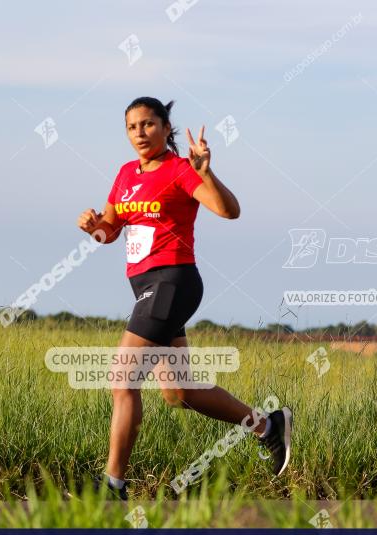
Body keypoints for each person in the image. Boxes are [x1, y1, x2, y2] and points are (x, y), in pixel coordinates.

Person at [76, 97, 292, 499]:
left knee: (122, 381)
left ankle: (112, 486)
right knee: (179, 393)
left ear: (165, 128)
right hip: (146, 289)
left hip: (172, 282)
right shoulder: (125, 174)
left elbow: (230, 212)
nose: (140, 133)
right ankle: (268, 426)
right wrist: (92, 226)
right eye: (132, 127)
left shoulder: (180, 170)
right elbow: (110, 233)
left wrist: (206, 174)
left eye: (148, 124)